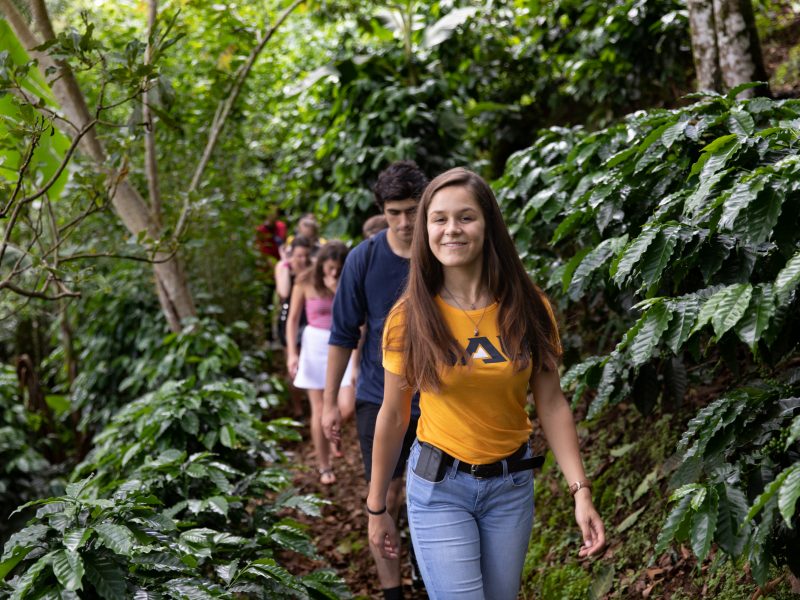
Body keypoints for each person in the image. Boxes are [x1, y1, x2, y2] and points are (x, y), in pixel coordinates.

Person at [367, 167, 606, 599]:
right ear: (425, 231)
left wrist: (580, 492)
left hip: (510, 489)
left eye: (465, 217)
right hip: (439, 487)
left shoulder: (530, 308)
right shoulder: (409, 318)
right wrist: (377, 505)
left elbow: (551, 405)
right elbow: (393, 414)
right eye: (438, 219)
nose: (451, 230)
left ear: (488, 225)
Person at [322, 160, 428, 600]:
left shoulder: (440, 249)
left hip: (441, 398)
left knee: (427, 496)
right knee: (382, 496)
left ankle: (428, 577)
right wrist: (330, 401)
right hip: (376, 397)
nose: (404, 222)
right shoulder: (363, 259)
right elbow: (342, 333)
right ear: (382, 211)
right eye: (394, 212)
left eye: (412, 210)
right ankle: (392, 591)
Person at [286, 241, 355, 485]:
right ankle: (324, 466)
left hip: (343, 344)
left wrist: (337, 288)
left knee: (346, 405)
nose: (333, 272)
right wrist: (292, 353)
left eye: (338, 268)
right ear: (321, 264)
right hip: (314, 344)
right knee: (318, 409)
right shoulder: (305, 281)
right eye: (329, 268)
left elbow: (356, 318)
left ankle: (333, 431)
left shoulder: (347, 280)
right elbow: (293, 319)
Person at [274, 236, 313, 418]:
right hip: (289, 319)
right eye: (298, 256)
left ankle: (313, 402)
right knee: (293, 362)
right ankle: (297, 407)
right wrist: (286, 266)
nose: (303, 260)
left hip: (310, 320)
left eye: (306, 255)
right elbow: (283, 292)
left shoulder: (314, 269)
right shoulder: (284, 269)